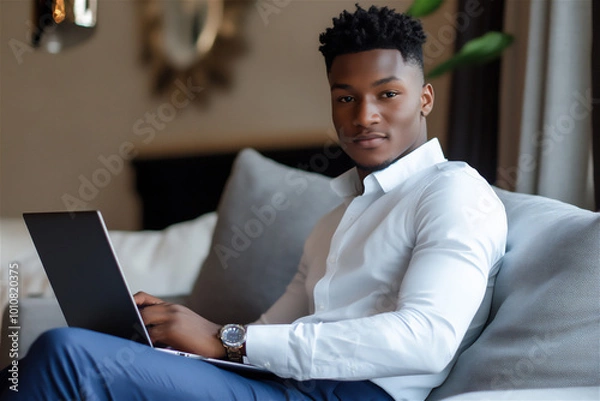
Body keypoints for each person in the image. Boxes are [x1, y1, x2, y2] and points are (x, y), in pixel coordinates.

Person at [0, 4, 507, 401]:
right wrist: (175, 337)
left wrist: (225, 339)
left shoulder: (453, 192)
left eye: (387, 94)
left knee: (65, 354)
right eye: (346, 97)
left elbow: (427, 339)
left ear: (425, 98)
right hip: (281, 384)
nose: (364, 115)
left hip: (351, 394)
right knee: (75, 352)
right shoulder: (334, 219)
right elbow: (264, 335)